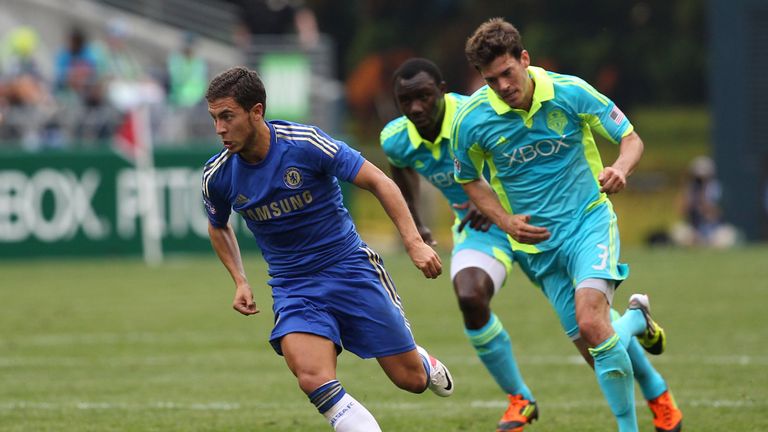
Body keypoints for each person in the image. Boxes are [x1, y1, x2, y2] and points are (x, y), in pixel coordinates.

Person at [452, 18, 683, 432]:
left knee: (594, 324)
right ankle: (645, 349)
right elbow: (468, 177)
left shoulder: (570, 92)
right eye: (492, 80)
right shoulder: (472, 120)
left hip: (587, 223)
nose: (503, 85)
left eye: (508, 73)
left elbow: (631, 138)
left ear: (525, 59)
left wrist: (621, 169)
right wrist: (504, 220)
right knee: (599, 348)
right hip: (538, 247)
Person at [201, 66, 453, 432]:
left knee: (410, 381)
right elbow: (218, 224)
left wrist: (413, 242)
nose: (220, 129)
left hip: (350, 270)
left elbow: (379, 181)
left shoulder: (305, 144)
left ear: (256, 111)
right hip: (295, 288)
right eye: (214, 119)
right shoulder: (218, 175)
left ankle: (421, 361)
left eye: (227, 117)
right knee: (312, 378)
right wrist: (239, 279)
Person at [380, 57, 538, 431]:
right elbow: (402, 175)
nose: (416, 107)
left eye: (424, 97)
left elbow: (521, 153)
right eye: (407, 101)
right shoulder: (396, 138)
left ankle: (635, 332)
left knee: (588, 324)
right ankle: (520, 399)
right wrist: (417, 230)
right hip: (479, 229)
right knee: (469, 296)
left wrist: (491, 199)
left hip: (533, 219)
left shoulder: (477, 114)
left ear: (442, 91)